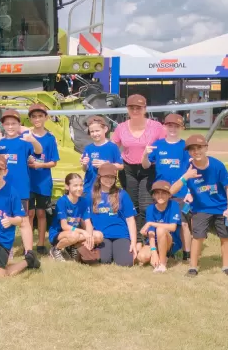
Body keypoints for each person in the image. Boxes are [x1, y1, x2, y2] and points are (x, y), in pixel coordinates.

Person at [170, 134, 228, 278]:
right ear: (188, 152)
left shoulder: (217, 165)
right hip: (200, 208)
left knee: (225, 237)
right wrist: (186, 177)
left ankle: (226, 267)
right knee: (197, 237)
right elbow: (171, 191)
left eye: (199, 147)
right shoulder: (187, 167)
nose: (196, 151)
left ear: (206, 148)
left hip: (221, 208)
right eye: (192, 149)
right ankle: (193, 268)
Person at [141, 113, 192, 261]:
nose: (173, 129)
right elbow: (145, 166)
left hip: (180, 192)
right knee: (162, 222)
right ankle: (165, 248)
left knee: (183, 223)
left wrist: (189, 191)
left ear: (181, 128)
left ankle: (187, 254)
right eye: (170, 125)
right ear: (165, 126)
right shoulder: (158, 145)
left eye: (176, 126)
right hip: (161, 192)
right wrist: (145, 155)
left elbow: (191, 170)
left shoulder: (185, 147)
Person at [111, 94, 166, 225]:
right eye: (132, 108)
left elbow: (165, 146)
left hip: (149, 168)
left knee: (145, 205)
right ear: (127, 109)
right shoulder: (121, 127)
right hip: (128, 169)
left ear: (145, 109)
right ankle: (134, 233)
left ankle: (145, 232)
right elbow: (112, 148)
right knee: (132, 204)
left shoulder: (156, 127)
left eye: (139, 108)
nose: (135, 111)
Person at [0, 109, 42, 210]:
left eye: (13, 123)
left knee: (22, 218)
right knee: (3, 216)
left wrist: (33, 140)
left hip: (20, 188)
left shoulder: (24, 140)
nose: (10, 127)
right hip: (1, 187)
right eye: (7, 124)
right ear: (3, 125)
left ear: (19, 124)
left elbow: (39, 151)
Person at [25, 103, 60, 254]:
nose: (37, 119)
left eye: (40, 116)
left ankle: (40, 243)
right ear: (30, 119)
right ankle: (28, 244)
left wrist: (40, 165)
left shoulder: (50, 139)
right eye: (34, 116)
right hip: (28, 181)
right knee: (29, 213)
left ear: (46, 118)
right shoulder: (26, 136)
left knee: (41, 213)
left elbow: (54, 162)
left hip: (43, 182)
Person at [89, 163, 139, 267]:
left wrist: (133, 243)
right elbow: (86, 219)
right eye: (106, 176)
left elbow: (130, 220)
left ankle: (117, 251)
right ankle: (110, 252)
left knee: (126, 263)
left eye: (112, 177)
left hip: (121, 235)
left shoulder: (122, 194)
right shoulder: (91, 194)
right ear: (99, 177)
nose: (109, 180)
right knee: (103, 260)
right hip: (102, 236)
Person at [49, 173, 101, 262]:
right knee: (74, 235)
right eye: (75, 185)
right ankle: (56, 249)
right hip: (59, 234)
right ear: (67, 187)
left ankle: (72, 246)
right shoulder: (62, 201)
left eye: (81, 185)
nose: (79, 188)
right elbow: (64, 226)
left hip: (75, 233)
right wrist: (83, 232)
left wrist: (89, 237)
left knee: (99, 235)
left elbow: (87, 222)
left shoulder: (84, 201)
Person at [137, 181, 182, 273]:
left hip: (169, 241)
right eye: (157, 193)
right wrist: (154, 252)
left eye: (164, 193)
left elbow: (172, 227)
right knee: (141, 257)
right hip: (155, 241)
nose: (160, 196)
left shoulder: (174, 205)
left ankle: (162, 264)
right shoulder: (150, 209)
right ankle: (158, 256)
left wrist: (151, 223)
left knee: (160, 230)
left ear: (169, 195)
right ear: (153, 195)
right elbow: (151, 232)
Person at [81, 116, 123, 195]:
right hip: (89, 187)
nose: (95, 134)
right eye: (92, 131)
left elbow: (121, 166)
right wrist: (84, 164)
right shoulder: (88, 148)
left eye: (97, 131)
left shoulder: (112, 147)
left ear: (105, 129)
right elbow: (85, 169)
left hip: (106, 188)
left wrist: (106, 165)